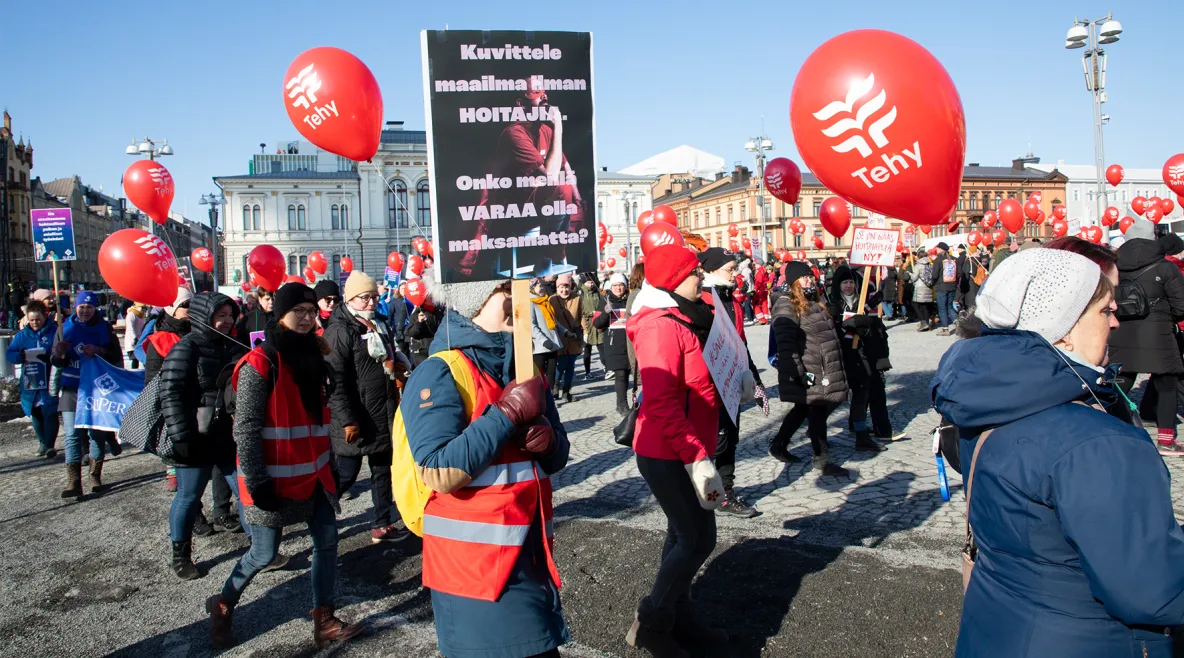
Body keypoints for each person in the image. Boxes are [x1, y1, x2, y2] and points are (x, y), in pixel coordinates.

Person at [931, 247, 1184, 657]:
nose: (1116, 322)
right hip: (1090, 639)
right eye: (1105, 311)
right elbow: (1152, 588)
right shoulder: (1098, 443)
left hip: (997, 628)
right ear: (1063, 328)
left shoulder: (990, 400)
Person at [404, 275, 571, 658]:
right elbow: (439, 470)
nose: (523, 298)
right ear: (480, 298)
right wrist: (508, 414)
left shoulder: (525, 367)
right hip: (474, 574)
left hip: (528, 559)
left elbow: (559, 456)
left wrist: (548, 443)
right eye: (510, 290)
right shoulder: (438, 371)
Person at [207, 283, 362, 650]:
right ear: (281, 315)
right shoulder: (260, 362)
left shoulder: (316, 357)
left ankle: (324, 620)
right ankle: (223, 605)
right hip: (273, 479)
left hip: (315, 474)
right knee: (262, 553)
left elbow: (319, 418)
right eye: (300, 312)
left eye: (312, 311)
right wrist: (258, 482)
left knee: (327, 541)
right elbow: (245, 426)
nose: (308, 318)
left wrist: (334, 463)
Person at [625, 244, 728, 657]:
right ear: (672, 280)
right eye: (693, 273)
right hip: (668, 452)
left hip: (686, 448)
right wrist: (696, 458)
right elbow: (662, 401)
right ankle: (652, 623)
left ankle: (679, 616)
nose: (701, 277)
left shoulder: (678, 317)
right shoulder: (660, 326)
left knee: (686, 535)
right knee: (696, 540)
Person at [159, 292, 250, 580]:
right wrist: (180, 435)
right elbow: (169, 391)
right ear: (203, 316)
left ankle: (260, 548)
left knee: (247, 493)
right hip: (195, 436)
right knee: (188, 496)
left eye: (229, 315)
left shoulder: (235, 345)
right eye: (219, 316)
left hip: (228, 435)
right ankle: (181, 555)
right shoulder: (187, 347)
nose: (226, 321)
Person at [453, 81, 585, 279]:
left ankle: (556, 258)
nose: (544, 96)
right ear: (521, 104)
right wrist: (558, 126)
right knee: (562, 189)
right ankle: (547, 257)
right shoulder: (514, 133)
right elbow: (550, 174)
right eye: (536, 92)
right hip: (513, 210)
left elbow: (564, 165)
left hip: (540, 200)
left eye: (544, 91)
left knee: (574, 199)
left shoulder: (545, 131)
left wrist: (580, 198)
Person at [323, 270, 408, 544]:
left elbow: (387, 356)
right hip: (356, 415)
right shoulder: (339, 331)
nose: (371, 302)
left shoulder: (379, 323)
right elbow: (336, 381)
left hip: (382, 410)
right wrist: (348, 419)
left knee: (383, 471)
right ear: (350, 299)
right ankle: (320, 518)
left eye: (374, 296)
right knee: (346, 474)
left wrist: (399, 366)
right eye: (364, 297)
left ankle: (382, 524)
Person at [1107, 218, 1184, 453]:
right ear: (1153, 238)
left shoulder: (1113, 266)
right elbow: (1181, 306)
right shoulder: (1165, 267)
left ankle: (1109, 429)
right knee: (1167, 385)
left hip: (1121, 331)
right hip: (1158, 334)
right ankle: (1166, 439)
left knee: (1120, 384)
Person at [697, 247, 764, 518]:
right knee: (715, 441)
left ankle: (725, 493)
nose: (735, 274)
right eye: (730, 269)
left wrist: (755, 379)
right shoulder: (701, 302)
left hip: (732, 384)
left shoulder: (732, 302)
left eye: (735, 268)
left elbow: (741, 345)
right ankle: (706, 494)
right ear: (711, 271)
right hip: (708, 385)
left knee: (730, 439)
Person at [769, 262, 850, 477]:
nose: (809, 280)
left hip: (820, 367)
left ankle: (778, 444)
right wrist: (798, 372)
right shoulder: (786, 305)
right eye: (804, 277)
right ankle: (822, 459)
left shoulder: (814, 301)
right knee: (817, 411)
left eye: (811, 276)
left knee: (803, 409)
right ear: (793, 281)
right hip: (808, 369)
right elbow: (785, 344)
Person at [53, 290, 123, 499]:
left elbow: (115, 356)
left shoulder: (104, 328)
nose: (85, 311)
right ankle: (73, 481)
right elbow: (55, 362)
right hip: (71, 387)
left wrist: (100, 351)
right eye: (82, 307)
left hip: (95, 388)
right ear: (76, 307)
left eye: (89, 307)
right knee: (72, 435)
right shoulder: (64, 328)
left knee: (96, 433)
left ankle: (95, 475)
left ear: (95, 309)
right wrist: (59, 353)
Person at [827, 266, 891, 447]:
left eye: (850, 283)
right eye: (844, 283)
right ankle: (816, 424)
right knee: (838, 395)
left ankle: (860, 432)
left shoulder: (862, 299)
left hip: (863, 353)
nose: (848, 286)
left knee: (862, 391)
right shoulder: (833, 303)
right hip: (842, 354)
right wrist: (842, 324)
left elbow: (865, 316)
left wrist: (870, 311)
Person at [144, 286, 193, 494]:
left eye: (192, 304)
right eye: (184, 305)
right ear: (173, 309)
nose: (189, 309)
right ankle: (173, 474)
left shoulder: (198, 331)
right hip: (173, 402)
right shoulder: (160, 340)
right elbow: (153, 379)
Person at [6, 300, 58, 457]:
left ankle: (50, 445)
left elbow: (61, 353)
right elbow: (10, 353)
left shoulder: (54, 332)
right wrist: (19, 356)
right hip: (30, 381)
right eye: (32, 320)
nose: (35, 323)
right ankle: (42, 442)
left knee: (50, 412)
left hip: (49, 380)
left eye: (38, 319)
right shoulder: (22, 336)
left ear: (44, 317)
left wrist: (50, 357)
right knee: (35, 412)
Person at [595, 273, 632, 414]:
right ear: (611, 286)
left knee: (630, 374)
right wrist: (605, 312)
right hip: (614, 344)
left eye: (621, 285)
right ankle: (622, 404)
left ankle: (630, 402)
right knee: (621, 374)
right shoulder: (605, 300)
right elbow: (597, 324)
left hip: (629, 342)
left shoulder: (630, 299)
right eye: (615, 285)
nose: (618, 288)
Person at [550, 273, 583, 403]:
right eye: (561, 287)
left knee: (571, 366)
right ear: (557, 288)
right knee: (561, 364)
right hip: (559, 338)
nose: (564, 290)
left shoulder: (577, 298)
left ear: (571, 287)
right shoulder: (552, 300)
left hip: (574, 338)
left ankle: (566, 392)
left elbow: (582, 315)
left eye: (567, 287)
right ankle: (555, 386)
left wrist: (584, 332)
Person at [529, 277, 563, 389]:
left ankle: (550, 396)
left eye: (543, 286)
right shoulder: (530, 303)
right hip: (540, 346)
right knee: (539, 374)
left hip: (552, 342)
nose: (542, 288)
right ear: (532, 288)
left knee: (551, 372)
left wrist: (565, 332)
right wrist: (543, 341)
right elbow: (531, 325)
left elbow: (554, 320)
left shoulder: (545, 301)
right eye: (540, 287)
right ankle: (539, 396)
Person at [930, 242, 959, 334]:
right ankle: (957, 322)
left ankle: (945, 329)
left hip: (941, 287)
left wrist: (932, 283)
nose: (936, 250)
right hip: (952, 286)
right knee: (950, 306)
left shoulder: (938, 260)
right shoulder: (954, 260)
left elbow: (934, 275)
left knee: (942, 308)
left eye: (938, 248)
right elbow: (959, 273)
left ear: (941, 249)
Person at [580, 278, 604, 378]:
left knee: (602, 347)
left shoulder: (597, 292)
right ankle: (587, 372)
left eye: (591, 282)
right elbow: (579, 311)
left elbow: (602, 305)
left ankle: (607, 368)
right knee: (587, 349)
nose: (590, 284)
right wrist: (590, 313)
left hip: (598, 323)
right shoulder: (580, 293)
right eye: (588, 282)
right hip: (586, 324)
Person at [405, 303, 441, 367]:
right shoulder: (416, 314)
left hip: (437, 349)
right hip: (421, 350)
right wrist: (419, 322)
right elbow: (411, 333)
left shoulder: (439, 313)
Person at [910, 249, 937, 332]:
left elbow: (914, 278)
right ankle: (927, 324)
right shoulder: (930, 264)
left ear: (918, 256)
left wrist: (910, 274)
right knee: (925, 306)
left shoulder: (918, 265)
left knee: (914, 304)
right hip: (928, 287)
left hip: (920, 287)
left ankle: (923, 322)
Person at [122, 302, 149, 368]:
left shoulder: (141, 315)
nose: (143, 310)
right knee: (135, 359)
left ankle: (144, 372)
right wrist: (134, 338)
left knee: (143, 357)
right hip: (133, 340)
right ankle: (134, 372)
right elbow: (130, 328)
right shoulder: (131, 314)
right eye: (142, 308)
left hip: (140, 339)